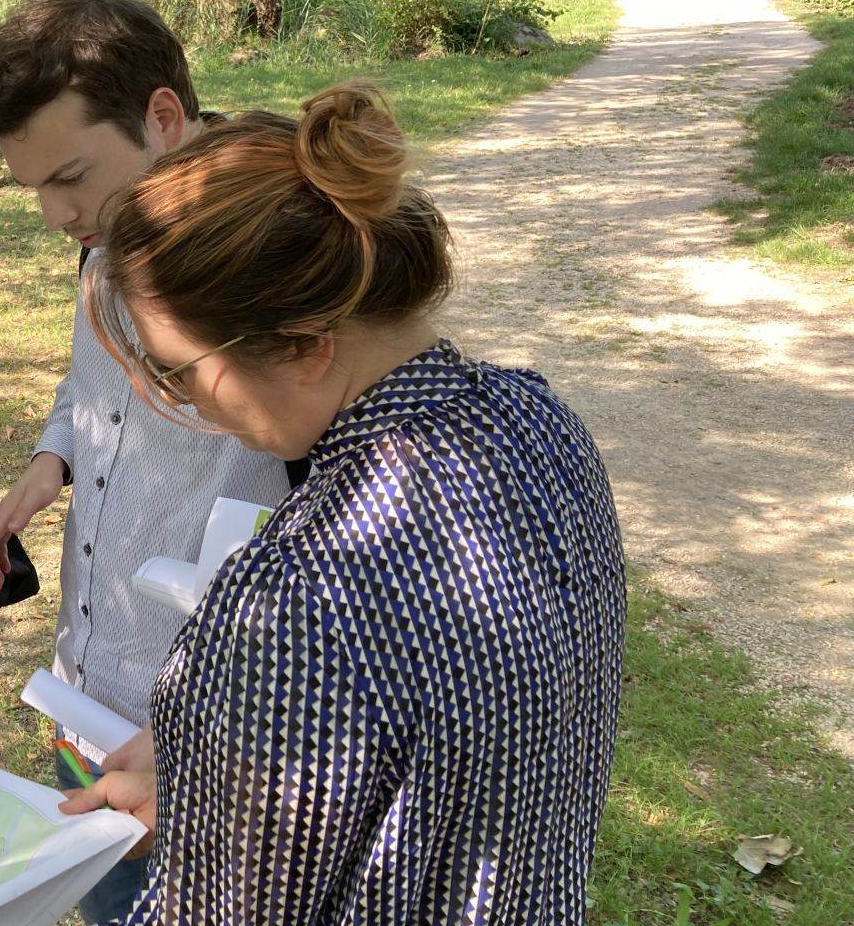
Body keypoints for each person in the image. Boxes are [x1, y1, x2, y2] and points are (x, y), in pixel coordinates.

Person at [57, 84, 626, 923]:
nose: (176, 403)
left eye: (176, 370)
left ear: (303, 347)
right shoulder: (540, 425)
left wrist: (199, 819)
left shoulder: (298, 598)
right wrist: (204, 764)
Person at [0, 0, 292, 923]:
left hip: (214, 738)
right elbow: (89, 385)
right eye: (32, 187)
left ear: (162, 116)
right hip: (86, 690)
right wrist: (51, 458)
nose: (53, 214)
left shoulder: (269, 262)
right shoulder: (109, 236)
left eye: (70, 174)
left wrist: (226, 731)